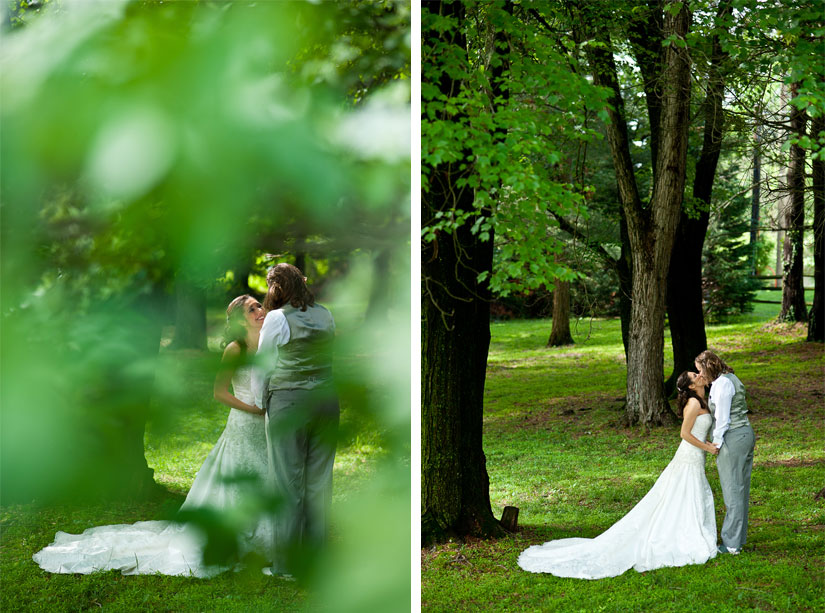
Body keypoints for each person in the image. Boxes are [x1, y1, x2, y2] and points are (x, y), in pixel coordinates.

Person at [33, 295, 273, 577]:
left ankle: (271, 536)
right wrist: (252, 409)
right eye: (251, 308)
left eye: (259, 305)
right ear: (238, 320)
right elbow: (219, 392)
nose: (260, 310)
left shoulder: (270, 342)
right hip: (245, 423)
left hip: (266, 423)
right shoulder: (235, 349)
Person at [518, 371, 718, 578]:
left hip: (694, 455)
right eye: (695, 375)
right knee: (683, 492)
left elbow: (696, 431)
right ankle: (680, 533)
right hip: (689, 456)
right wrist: (707, 448)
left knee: (683, 494)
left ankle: (684, 527)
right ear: (692, 386)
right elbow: (684, 434)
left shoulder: (702, 401)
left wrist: (707, 443)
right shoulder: (694, 404)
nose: (700, 375)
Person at [253, 263, 338, 578]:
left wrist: (263, 403)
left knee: (287, 483)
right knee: (319, 483)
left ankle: (286, 566)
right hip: (327, 401)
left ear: (276, 288)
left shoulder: (276, 318)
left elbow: (262, 367)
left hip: (289, 403)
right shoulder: (327, 314)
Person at [695, 350, 755, 556]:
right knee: (740, 488)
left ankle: (731, 544)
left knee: (733, 491)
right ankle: (738, 539)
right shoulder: (729, 378)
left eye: (700, 371)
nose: (699, 376)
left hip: (733, 438)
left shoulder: (722, 385)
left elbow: (723, 419)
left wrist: (716, 444)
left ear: (707, 368)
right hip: (744, 434)